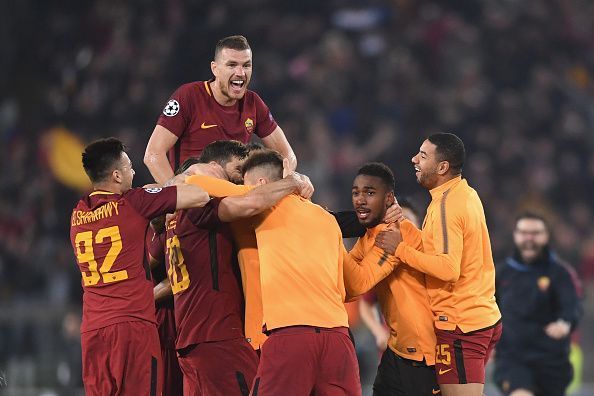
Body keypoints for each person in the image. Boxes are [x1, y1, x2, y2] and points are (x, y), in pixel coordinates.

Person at [164, 141, 313, 395]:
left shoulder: (171, 225)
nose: (239, 181)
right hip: (218, 335)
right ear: (211, 167)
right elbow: (250, 200)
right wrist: (293, 181)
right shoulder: (200, 199)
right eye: (236, 172)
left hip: (191, 337)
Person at [69, 137, 210, 396]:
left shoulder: (78, 213)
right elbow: (199, 196)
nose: (133, 172)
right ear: (116, 176)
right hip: (132, 326)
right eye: (129, 167)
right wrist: (187, 177)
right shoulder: (135, 202)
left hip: (93, 329)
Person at [392, 133, 502, 396]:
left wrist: (399, 250)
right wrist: (404, 225)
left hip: (460, 326)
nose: (414, 159)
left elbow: (448, 268)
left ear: (442, 167)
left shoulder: (446, 206)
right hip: (480, 315)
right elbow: (438, 247)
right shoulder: (464, 193)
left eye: (423, 155)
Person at [144, 35, 297, 184]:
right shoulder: (189, 96)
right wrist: (175, 195)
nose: (240, 73)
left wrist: (286, 182)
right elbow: (153, 154)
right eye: (232, 65)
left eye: (246, 65)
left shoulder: (253, 103)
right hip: (196, 194)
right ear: (215, 69)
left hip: (235, 198)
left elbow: (287, 156)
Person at [344, 164, 439, 395]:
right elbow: (349, 288)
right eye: (356, 192)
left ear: (388, 199)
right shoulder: (370, 235)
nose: (360, 199)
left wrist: (330, 235)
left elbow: (357, 283)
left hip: (422, 353)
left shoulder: (397, 233)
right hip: (397, 349)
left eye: (369, 192)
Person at [494, 212, 583, 396]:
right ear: (515, 235)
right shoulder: (500, 274)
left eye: (535, 233)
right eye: (524, 232)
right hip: (513, 360)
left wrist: (564, 323)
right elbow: (487, 311)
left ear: (546, 236)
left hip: (551, 362)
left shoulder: (561, 273)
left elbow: (572, 305)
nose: (529, 238)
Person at [147, 215, 183, 396]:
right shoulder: (146, 232)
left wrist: (142, 300)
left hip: (167, 327)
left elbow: (175, 278)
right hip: (149, 329)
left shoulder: (171, 232)